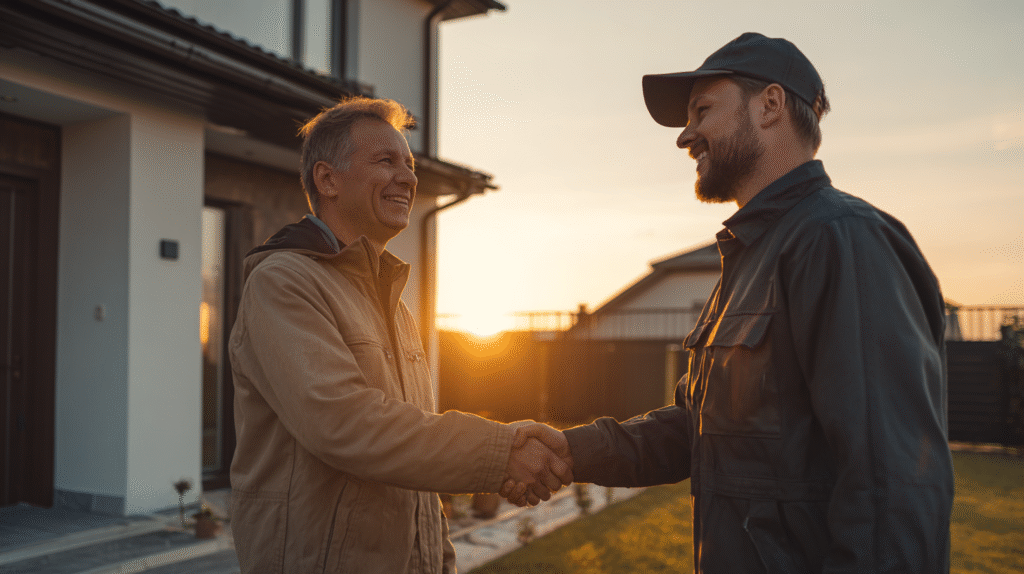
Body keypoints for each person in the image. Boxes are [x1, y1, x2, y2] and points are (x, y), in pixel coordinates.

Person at [509, 32, 955, 573]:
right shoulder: (751, 258)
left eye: (701, 111)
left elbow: (894, 485)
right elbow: (696, 430)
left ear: (769, 105)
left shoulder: (840, 241)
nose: (685, 136)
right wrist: (570, 450)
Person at [228, 96, 571, 574]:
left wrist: (438, 561)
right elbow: (345, 425)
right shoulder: (283, 282)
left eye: (409, 165)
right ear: (327, 179)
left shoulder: (391, 301)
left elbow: (410, 450)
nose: (408, 178)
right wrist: (500, 453)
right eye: (385, 161)